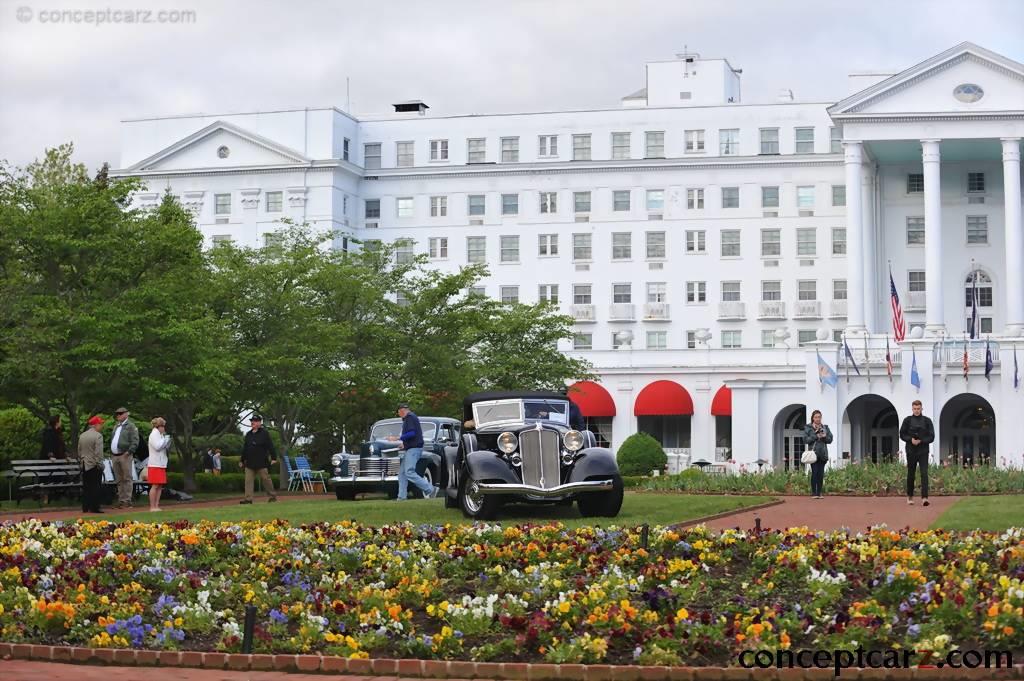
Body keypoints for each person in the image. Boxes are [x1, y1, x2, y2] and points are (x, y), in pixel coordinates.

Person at [387, 403, 434, 500]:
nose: (399, 415)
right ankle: (401, 497)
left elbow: (412, 433)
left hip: (414, 449)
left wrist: (397, 438)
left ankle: (429, 488)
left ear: (402, 411)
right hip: (411, 448)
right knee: (402, 474)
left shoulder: (410, 417)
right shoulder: (411, 418)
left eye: (398, 413)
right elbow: (415, 435)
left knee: (409, 472)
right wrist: (404, 444)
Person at [899, 399, 934, 506]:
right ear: (912, 409)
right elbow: (902, 434)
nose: (917, 410)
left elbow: (932, 437)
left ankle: (925, 498)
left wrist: (921, 440)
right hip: (911, 450)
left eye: (918, 408)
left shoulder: (927, 421)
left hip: (923, 450)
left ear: (921, 408)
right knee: (911, 474)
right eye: (915, 409)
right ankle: (910, 496)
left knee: (924, 473)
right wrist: (911, 440)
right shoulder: (907, 420)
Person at [240, 415, 277, 504]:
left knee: (266, 480)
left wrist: (274, 457)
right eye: (252, 421)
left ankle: (272, 496)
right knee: (248, 481)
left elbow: (270, 446)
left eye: (255, 421)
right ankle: (248, 499)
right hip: (250, 463)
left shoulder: (264, 433)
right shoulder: (248, 434)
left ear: (260, 423)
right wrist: (242, 460)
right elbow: (245, 448)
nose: (253, 422)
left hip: (261, 462)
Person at [109, 407, 140, 509]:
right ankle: (121, 500)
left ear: (126, 414)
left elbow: (135, 440)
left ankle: (127, 500)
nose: (118, 415)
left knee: (127, 478)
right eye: (117, 414)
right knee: (119, 479)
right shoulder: (116, 426)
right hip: (115, 455)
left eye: (121, 413)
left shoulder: (131, 426)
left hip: (124, 455)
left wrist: (129, 451)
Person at [802, 410, 833, 499]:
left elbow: (830, 440)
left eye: (819, 417)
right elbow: (805, 440)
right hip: (813, 454)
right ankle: (814, 493)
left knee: (821, 474)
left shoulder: (825, 427)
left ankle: (819, 492)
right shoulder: (808, 428)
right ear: (812, 418)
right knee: (815, 472)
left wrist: (824, 437)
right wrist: (815, 435)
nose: (818, 419)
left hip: (823, 453)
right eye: (816, 417)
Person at [78, 416, 105, 514]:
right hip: (94, 464)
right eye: (100, 424)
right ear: (96, 425)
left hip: (84, 463)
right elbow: (98, 452)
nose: (101, 426)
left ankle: (85, 506)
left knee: (86, 486)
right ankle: (95, 507)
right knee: (96, 486)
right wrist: (99, 463)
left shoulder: (82, 435)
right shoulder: (98, 436)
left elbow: (79, 450)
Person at [147, 417, 172, 512]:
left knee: (160, 486)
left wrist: (166, 441)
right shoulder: (154, 434)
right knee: (155, 485)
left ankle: (157, 505)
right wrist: (165, 440)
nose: (164, 428)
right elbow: (157, 446)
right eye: (163, 426)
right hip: (155, 464)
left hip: (161, 463)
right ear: (159, 426)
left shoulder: (160, 435)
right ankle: (152, 506)